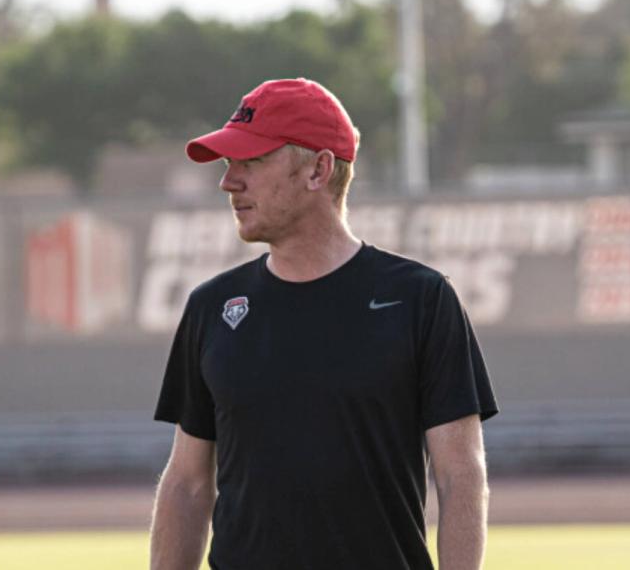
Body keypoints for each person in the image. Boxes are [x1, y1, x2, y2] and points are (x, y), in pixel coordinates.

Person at [150, 78, 498, 570]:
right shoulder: (212, 307)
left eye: (250, 161)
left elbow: (461, 476)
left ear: (318, 169)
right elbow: (186, 483)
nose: (229, 181)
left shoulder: (421, 299)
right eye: (229, 163)